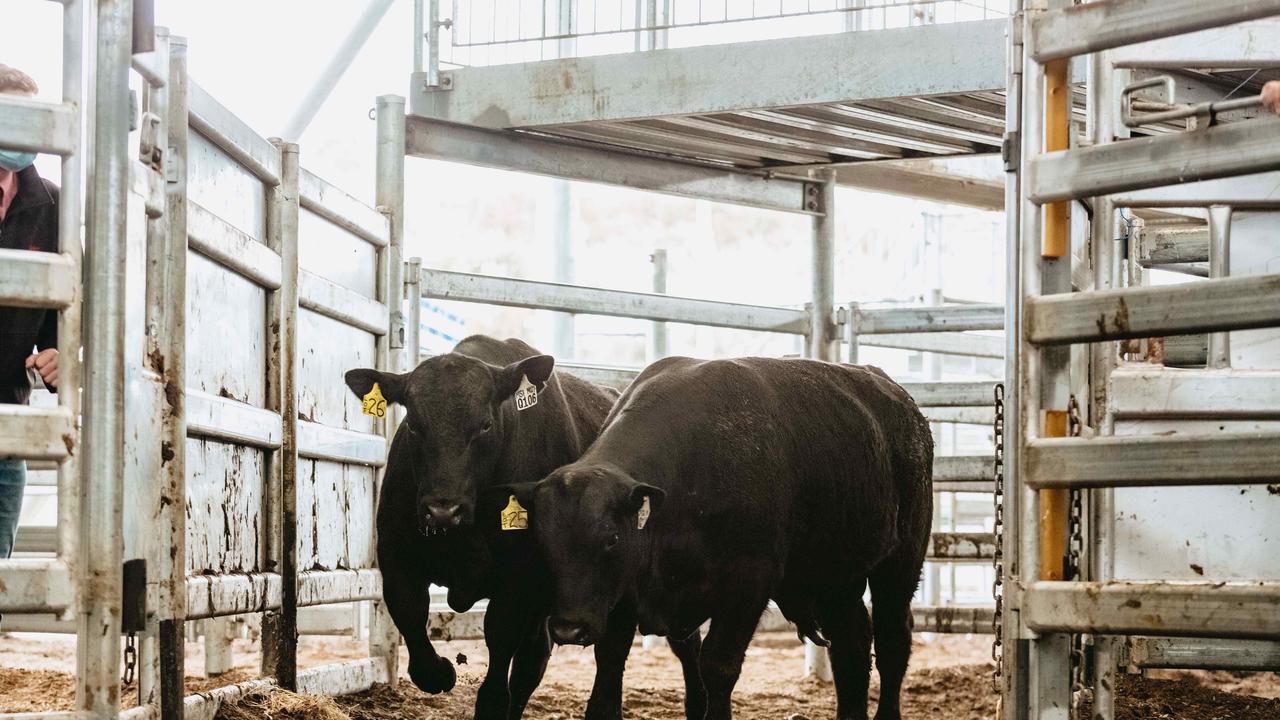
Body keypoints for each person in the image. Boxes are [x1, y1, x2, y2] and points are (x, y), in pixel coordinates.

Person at [0, 64, 61, 562]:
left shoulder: (52, 205)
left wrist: (62, 354)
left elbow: (66, 303)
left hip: (7, 419)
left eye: (32, 117)